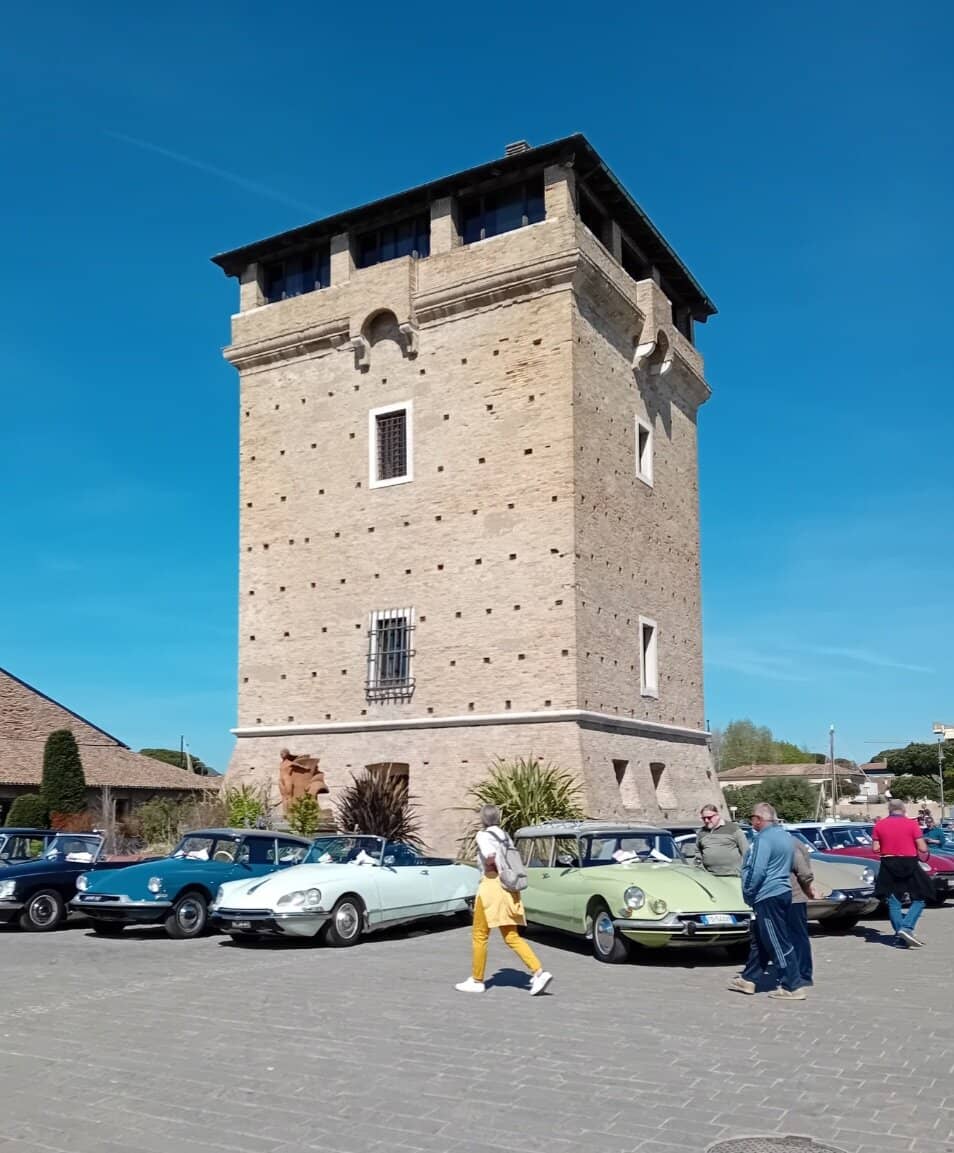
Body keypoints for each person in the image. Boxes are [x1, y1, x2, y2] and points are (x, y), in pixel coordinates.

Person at [455, 805, 553, 996]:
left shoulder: (483, 835)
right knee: (511, 935)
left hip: (491, 887)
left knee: (480, 935)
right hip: (509, 888)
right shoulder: (504, 835)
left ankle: (477, 980)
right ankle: (539, 972)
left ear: (483, 819)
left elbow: (490, 856)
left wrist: (492, 866)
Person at [728, 802, 805, 1000]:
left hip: (767, 895)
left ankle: (792, 985)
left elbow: (757, 869)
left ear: (759, 819)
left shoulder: (762, 839)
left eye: (752, 818)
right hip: (783, 892)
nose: (751, 822)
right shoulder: (785, 836)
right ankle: (749, 978)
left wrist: (748, 891)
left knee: (776, 939)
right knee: (761, 938)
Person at [872, 799, 933, 947]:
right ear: (904, 809)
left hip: (888, 863)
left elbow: (875, 848)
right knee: (921, 896)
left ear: (889, 810)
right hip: (909, 863)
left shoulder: (879, 825)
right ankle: (906, 928)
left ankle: (900, 936)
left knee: (894, 900)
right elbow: (923, 849)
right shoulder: (912, 824)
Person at [788, 837, 820, 987]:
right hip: (794, 896)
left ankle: (802, 974)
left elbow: (804, 872)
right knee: (798, 936)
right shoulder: (794, 842)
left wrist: (808, 889)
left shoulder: (788, 843)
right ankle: (801, 973)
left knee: (797, 937)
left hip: (793, 896)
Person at [696, 804, 749, 876]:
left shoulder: (733, 828)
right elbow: (698, 853)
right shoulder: (701, 832)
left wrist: (745, 871)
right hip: (710, 876)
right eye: (703, 818)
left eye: (709, 817)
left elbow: (746, 851)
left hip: (733, 875)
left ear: (717, 815)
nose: (706, 820)